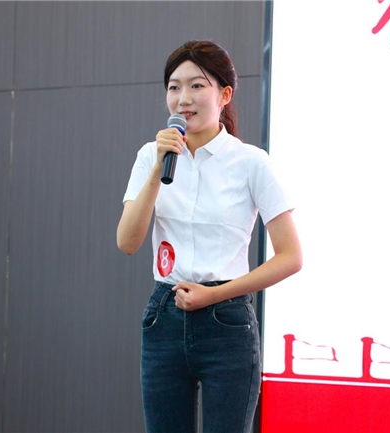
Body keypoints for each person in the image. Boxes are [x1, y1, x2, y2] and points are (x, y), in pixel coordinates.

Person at [116, 39, 302, 433]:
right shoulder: (151, 156)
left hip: (227, 321)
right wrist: (158, 170)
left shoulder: (251, 162)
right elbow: (127, 242)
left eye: (197, 85)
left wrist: (215, 295)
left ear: (224, 94)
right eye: (174, 87)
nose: (183, 98)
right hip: (164, 316)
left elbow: (291, 256)